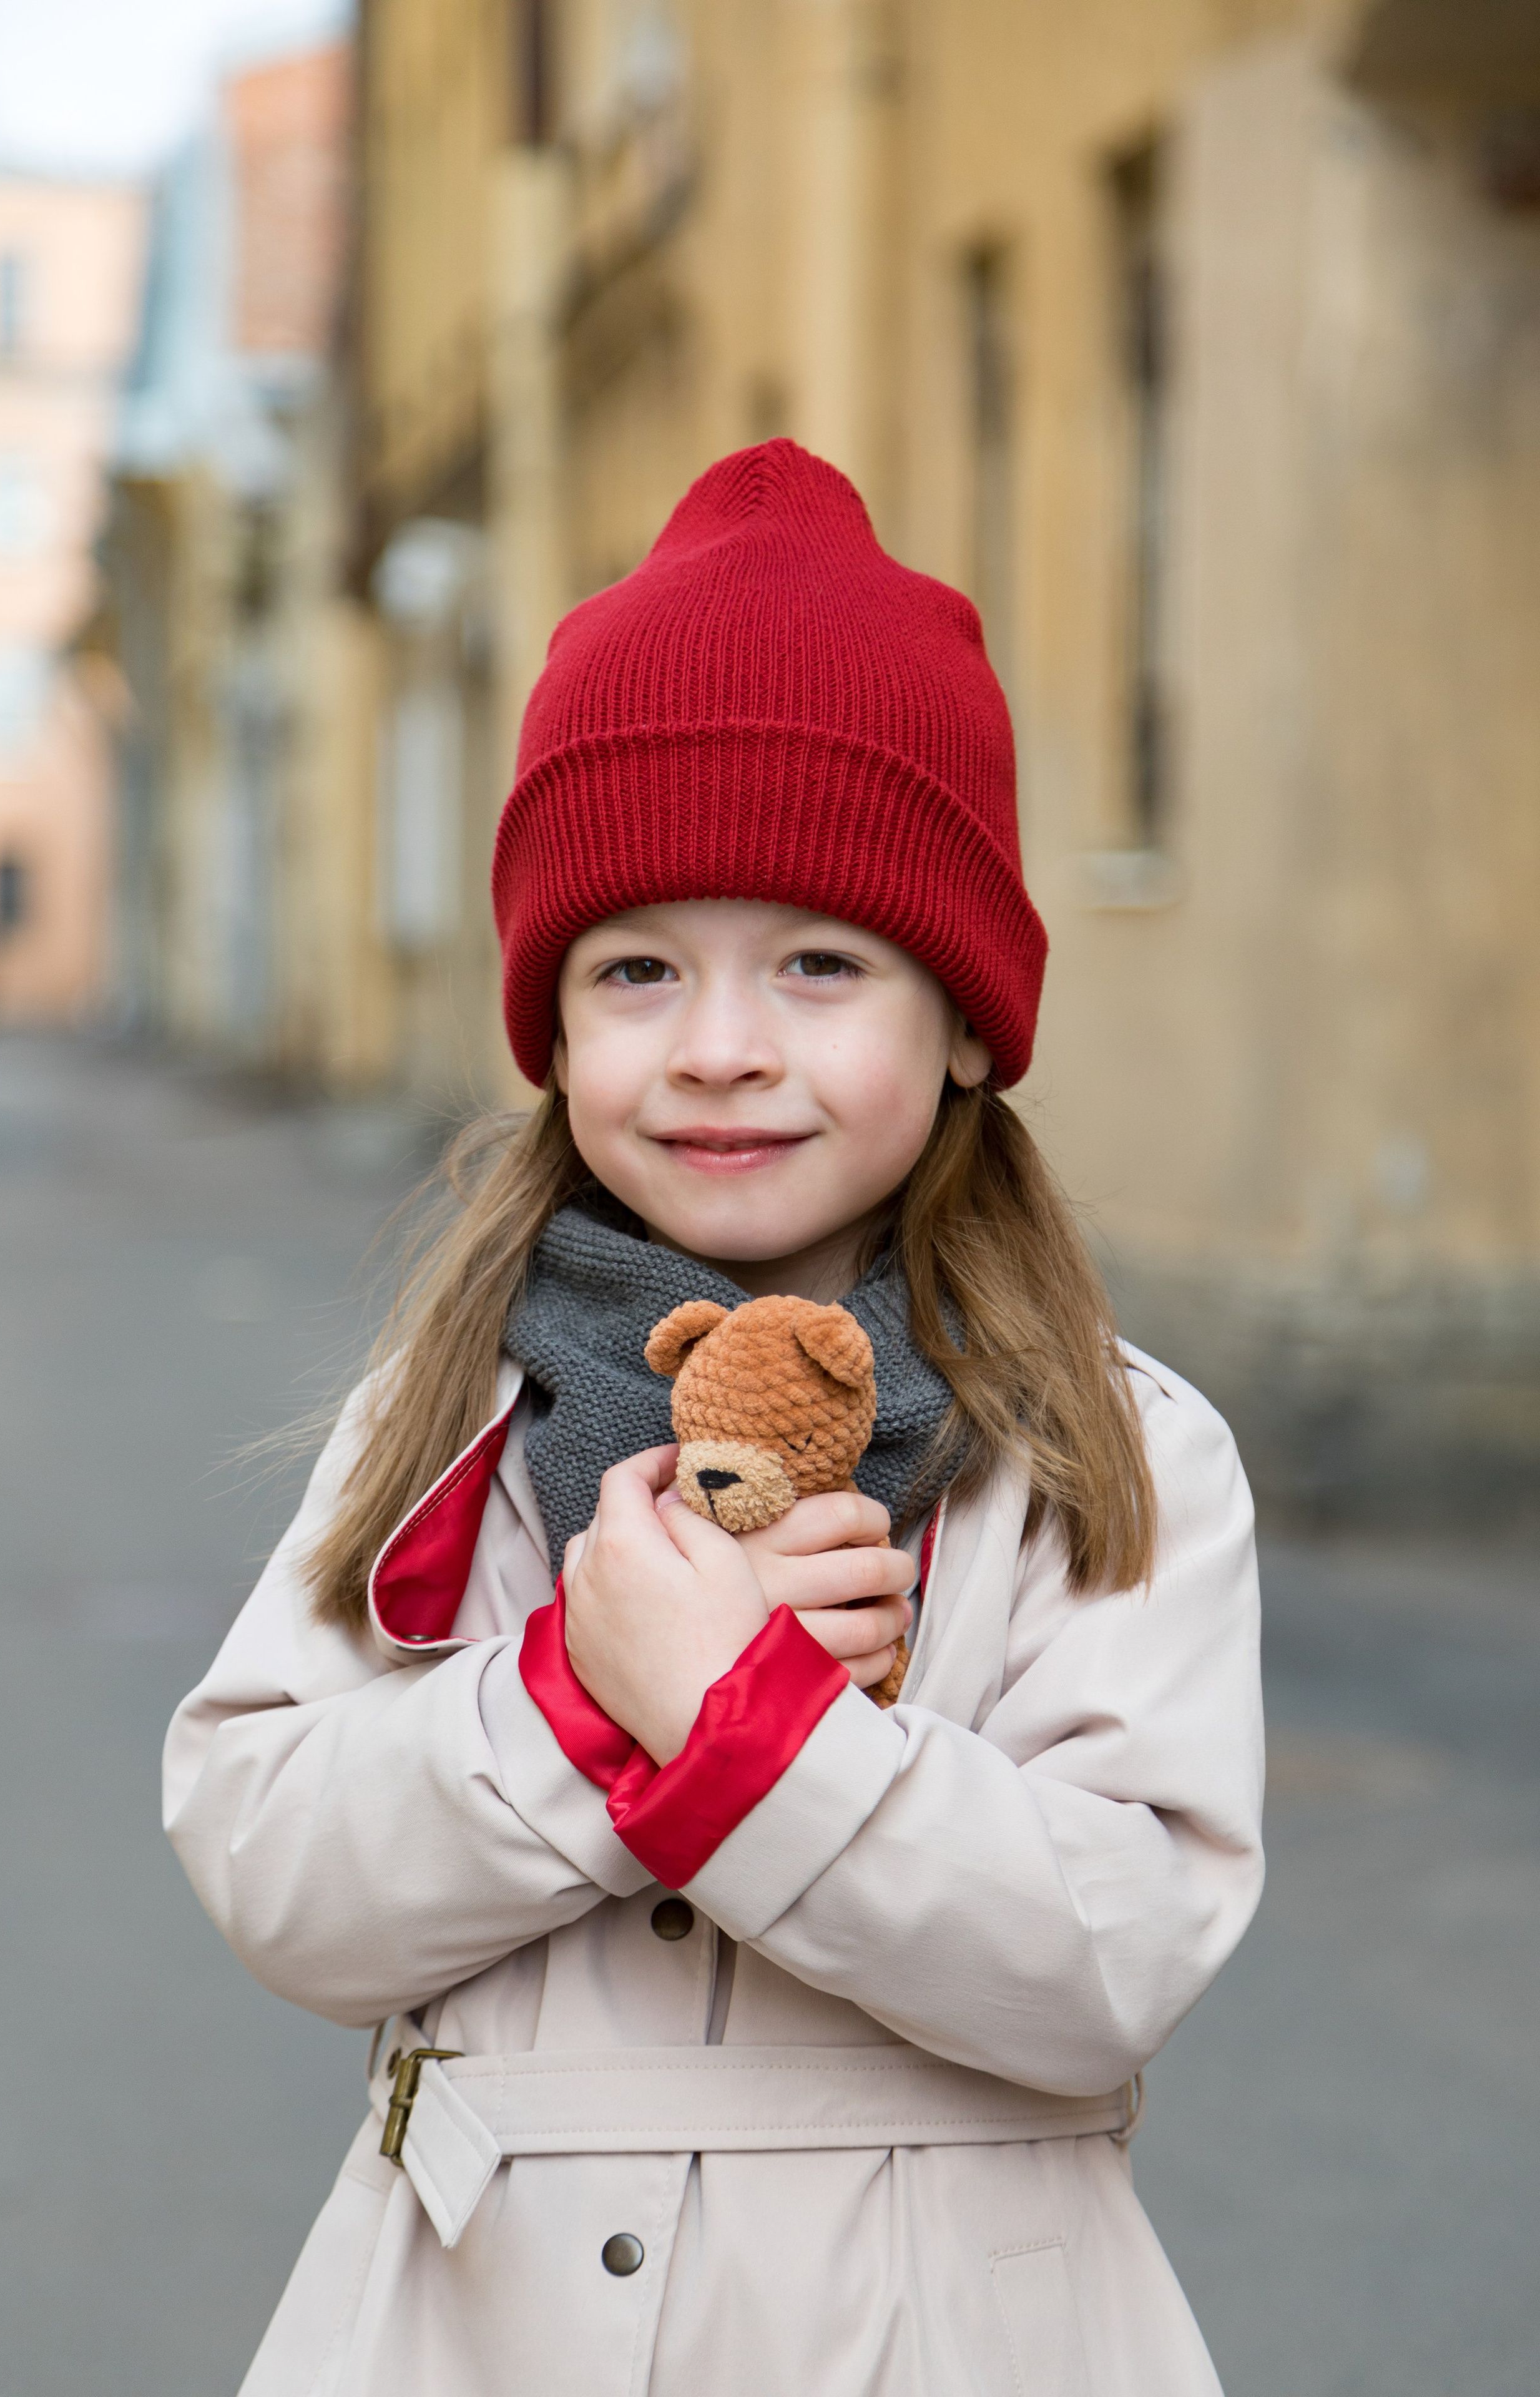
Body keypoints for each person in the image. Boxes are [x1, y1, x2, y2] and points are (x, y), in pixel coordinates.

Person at [164, 439, 1263, 2396]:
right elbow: (283, 1875)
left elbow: (1108, 1959)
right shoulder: (449, 1421)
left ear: (965, 1021)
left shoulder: (1109, 1453)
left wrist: (752, 1731)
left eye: (822, 965)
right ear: (557, 1025)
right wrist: (584, 1691)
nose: (723, 1045)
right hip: (470, 2327)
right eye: (640, 968)